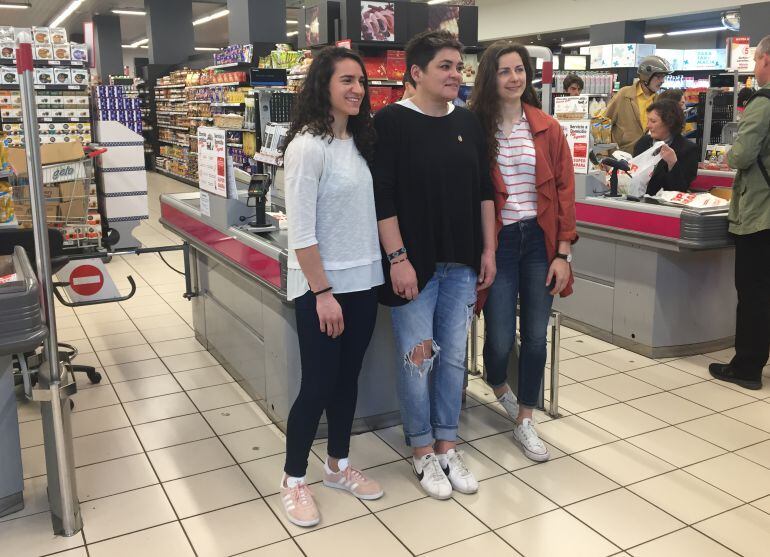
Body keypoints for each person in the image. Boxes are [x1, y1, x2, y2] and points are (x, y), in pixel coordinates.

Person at [372, 30, 496, 499]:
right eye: (445, 66)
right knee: (417, 361)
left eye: (458, 66)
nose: (455, 74)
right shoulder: (391, 122)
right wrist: (397, 258)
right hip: (414, 265)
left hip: (461, 262)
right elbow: (381, 197)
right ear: (416, 74)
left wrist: (487, 251)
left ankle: (448, 444)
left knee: (452, 359)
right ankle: (421, 450)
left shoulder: (467, 121)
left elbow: (483, 190)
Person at [280, 47, 385, 527]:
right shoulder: (307, 146)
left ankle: (338, 466)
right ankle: (293, 479)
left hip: (364, 280)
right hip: (323, 287)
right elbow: (301, 232)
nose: (357, 89)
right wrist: (322, 292)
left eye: (361, 81)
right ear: (323, 85)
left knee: (347, 380)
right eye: (346, 80)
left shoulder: (359, 141)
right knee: (318, 385)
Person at [470, 42, 577, 462]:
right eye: (504, 71)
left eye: (520, 70)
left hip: (540, 241)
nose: (514, 78)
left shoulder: (548, 128)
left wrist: (563, 253)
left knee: (535, 335)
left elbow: (566, 193)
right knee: (498, 336)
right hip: (499, 241)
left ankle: (526, 418)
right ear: (489, 78)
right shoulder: (476, 128)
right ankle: (497, 382)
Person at [710, 35, 770, 391]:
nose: (754, 67)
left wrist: (731, 153)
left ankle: (746, 365)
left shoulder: (763, 102)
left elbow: (742, 155)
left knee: (753, 291)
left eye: (757, 59)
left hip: (760, 211)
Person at [605, 55, 671, 153]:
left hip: (647, 159)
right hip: (621, 157)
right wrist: (605, 155)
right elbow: (605, 123)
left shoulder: (660, 101)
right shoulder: (624, 95)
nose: (662, 81)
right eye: (658, 76)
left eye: (663, 77)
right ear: (646, 76)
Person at [633, 99, 699, 195]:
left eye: (653, 121)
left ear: (669, 123)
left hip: (664, 207)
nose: (648, 126)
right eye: (648, 120)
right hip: (635, 203)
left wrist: (672, 164)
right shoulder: (643, 143)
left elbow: (680, 190)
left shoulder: (688, 149)